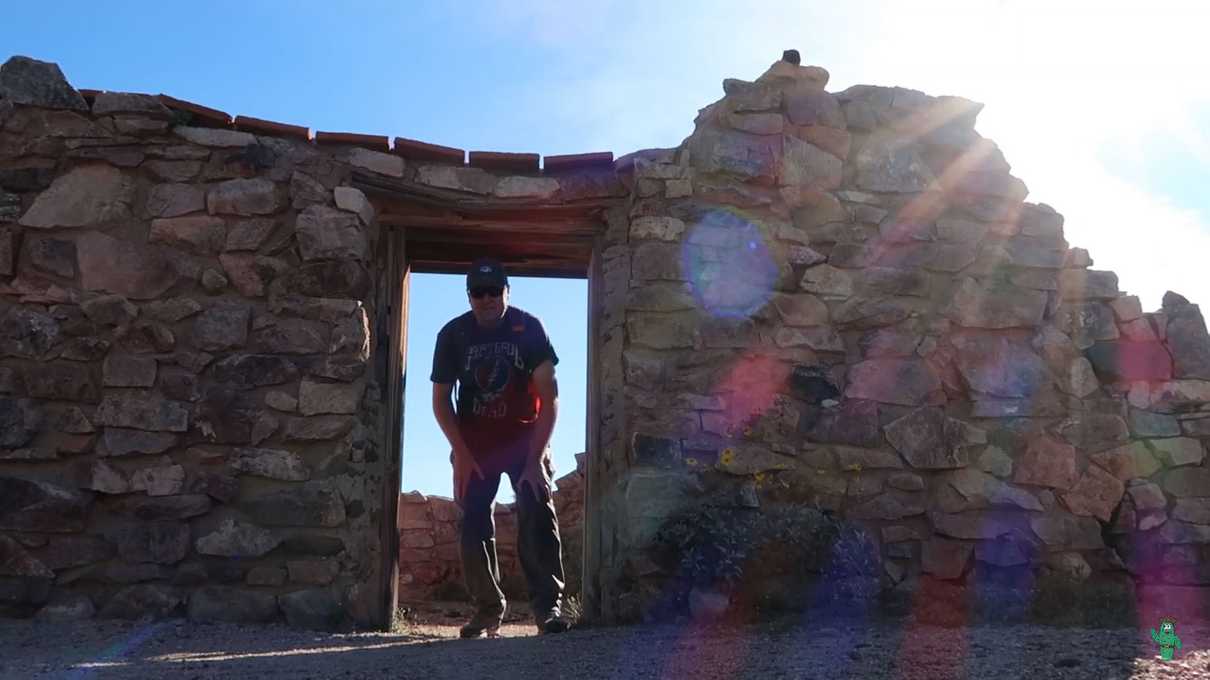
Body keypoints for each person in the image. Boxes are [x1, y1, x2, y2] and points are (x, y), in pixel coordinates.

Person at [429, 257, 569, 638]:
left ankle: (548, 608)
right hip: (476, 441)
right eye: (479, 292)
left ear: (507, 291)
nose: (487, 299)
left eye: (494, 291)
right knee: (472, 518)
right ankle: (488, 609)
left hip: (526, 437)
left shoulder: (529, 327)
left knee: (536, 507)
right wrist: (461, 455)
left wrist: (536, 459)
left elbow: (550, 395)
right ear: (469, 295)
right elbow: (441, 400)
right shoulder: (453, 335)